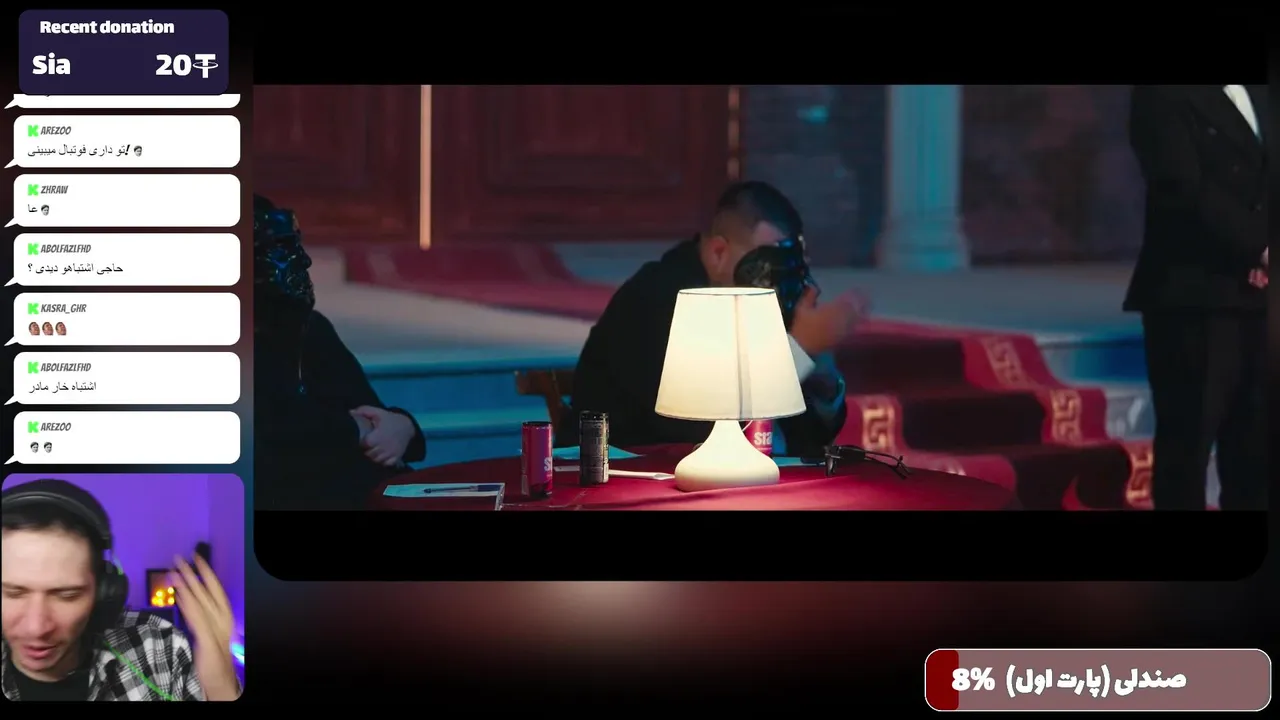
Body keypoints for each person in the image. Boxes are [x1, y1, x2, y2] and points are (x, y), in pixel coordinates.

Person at [568, 181, 865, 457]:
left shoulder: (758, 303)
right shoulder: (658, 300)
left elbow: (809, 440)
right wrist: (798, 350)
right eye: (768, 267)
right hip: (624, 471)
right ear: (718, 252)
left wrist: (822, 377)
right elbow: (705, 427)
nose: (777, 284)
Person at [1124, 85, 1268, 510]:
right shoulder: (1161, 93)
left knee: (1255, 458)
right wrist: (1258, 249)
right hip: (1195, 298)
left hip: (1261, 298)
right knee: (1187, 451)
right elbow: (1181, 187)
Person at [253, 194, 426, 511]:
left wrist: (402, 425)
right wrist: (353, 430)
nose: (303, 262)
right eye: (279, 250)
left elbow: (370, 411)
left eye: (295, 246)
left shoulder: (310, 328)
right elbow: (276, 436)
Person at [1, 479, 240, 701]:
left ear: (103, 592)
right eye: (13, 593)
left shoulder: (161, 648)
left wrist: (221, 686)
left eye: (67, 596)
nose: (36, 628)